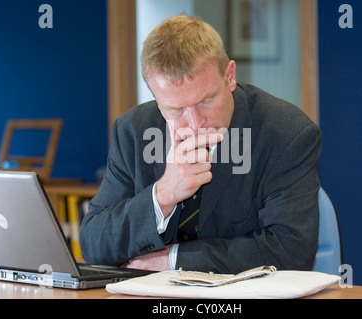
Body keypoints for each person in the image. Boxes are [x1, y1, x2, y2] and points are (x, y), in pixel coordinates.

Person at [79, 14, 322, 274]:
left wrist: (175, 260)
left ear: (229, 76)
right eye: (175, 109)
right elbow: (94, 244)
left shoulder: (287, 134)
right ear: (155, 96)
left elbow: (291, 252)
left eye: (206, 100)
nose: (195, 123)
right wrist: (162, 196)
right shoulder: (133, 131)